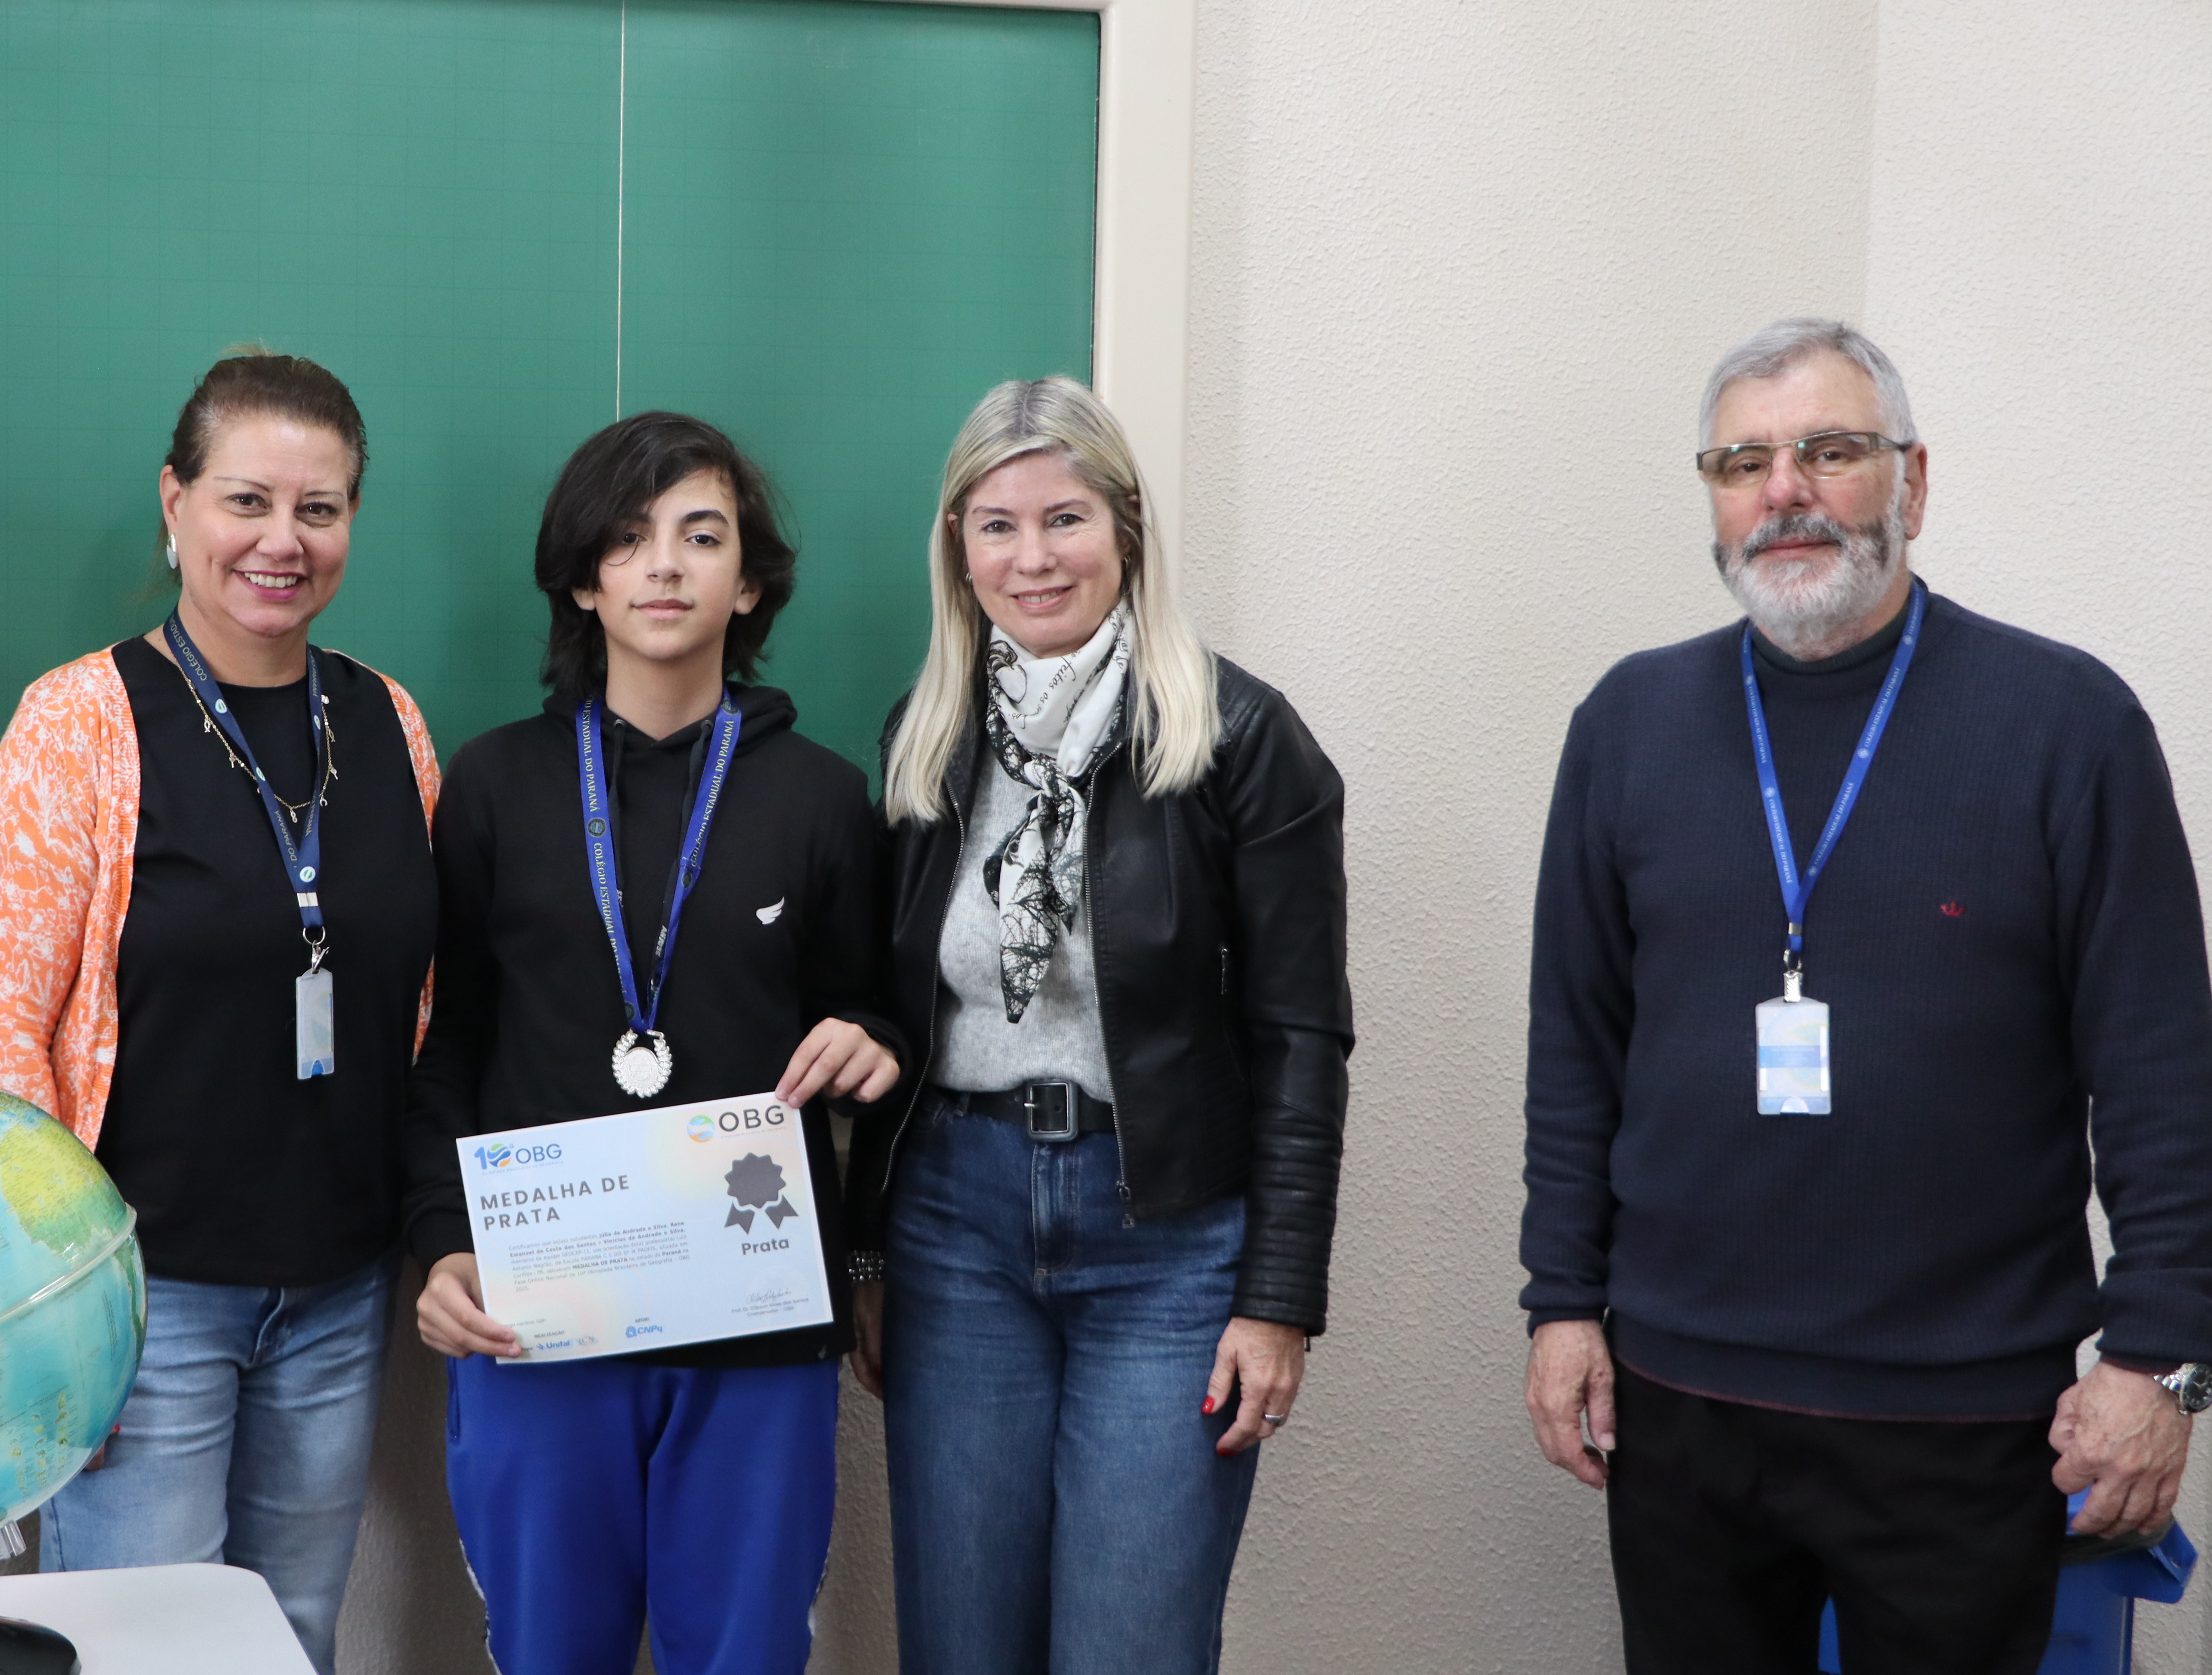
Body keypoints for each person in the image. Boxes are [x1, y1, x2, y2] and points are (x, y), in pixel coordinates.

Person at [1519, 317, 2212, 1675]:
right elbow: (1577, 1048)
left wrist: (2160, 1360)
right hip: (1681, 1401)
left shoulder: (2068, 726)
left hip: (1961, 1416)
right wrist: (1562, 1304)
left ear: (1914, 479)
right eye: (1744, 463)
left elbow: (2161, 1072)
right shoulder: (1626, 725)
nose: (1785, 491)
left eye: (1831, 451)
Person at [844, 375, 1352, 1675]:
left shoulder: (1239, 738)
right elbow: (894, 1016)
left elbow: (1302, 1036)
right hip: (956, 1229)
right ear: (958, 547)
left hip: (1169, 1240)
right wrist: (869, 1255)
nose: (1033, 559)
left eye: (1064, 519)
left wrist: (1279, 1297)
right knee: (963, 1644)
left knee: (1131, 1644)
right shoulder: (925, 739)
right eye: (997, 525)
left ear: (1126, 526)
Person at [0, 350, 437, 1674]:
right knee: (147, 1655)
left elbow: (420, 996)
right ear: (176, 504)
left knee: (293, 1641)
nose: (283, 541)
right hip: (141, 1300)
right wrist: (61, 1308)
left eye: (319, 508)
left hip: (338, 1287)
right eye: (246, 501)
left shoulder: (389, 721)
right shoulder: (76, 724)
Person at [406, 411, 902, 1675]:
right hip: (541, 1313)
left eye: (702, 535)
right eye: (628, 539)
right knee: (549, 1652)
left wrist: (874, 1040)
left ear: (751, 582)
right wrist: (442, 1241)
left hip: (757, 1324)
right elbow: (449, 1039)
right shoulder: (496, 785)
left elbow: (878, 1013)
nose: (666, 565)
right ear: (585, 580)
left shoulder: (824, 797)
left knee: (742, 1654)